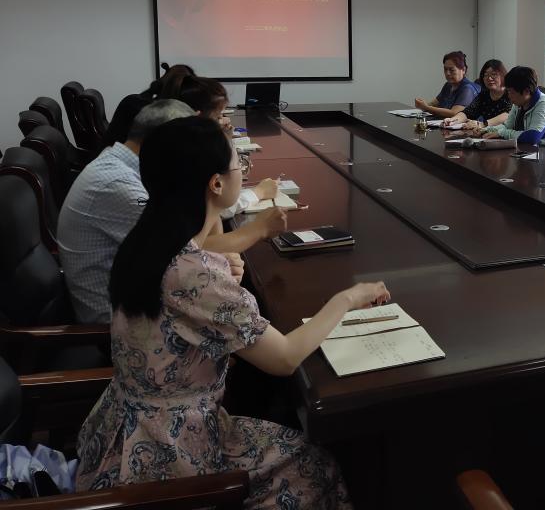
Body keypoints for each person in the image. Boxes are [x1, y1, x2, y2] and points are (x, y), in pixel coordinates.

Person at [77, 117, 390, 507]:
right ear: (216, 184)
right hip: (167, 456)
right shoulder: (194, 274)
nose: (243, 171)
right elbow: (285, 358)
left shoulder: (148, 239)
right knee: (317, 465)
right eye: (238, 164)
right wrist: (348, 299)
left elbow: (185, 309)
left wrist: (223, 272)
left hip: (122, 430)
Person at [58, 100, 286, 324]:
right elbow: (190, 248)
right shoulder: (119, 184)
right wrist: (259, 229)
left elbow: (191, 242)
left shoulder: (124, 167)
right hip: (124, 323)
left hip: (141, 299)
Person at [477, 66, 545, 145]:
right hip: (525, 151)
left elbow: (532, 137)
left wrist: (502, 133)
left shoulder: (544, 104)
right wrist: (485, 130)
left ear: (526, 91)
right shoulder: (519, 102)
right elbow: (507, 126)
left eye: (511, 92)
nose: (508, 96)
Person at [442, 59, 511, 128]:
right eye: (486, 75)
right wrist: (453, 120)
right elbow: (468, 112)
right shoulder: (484, 95)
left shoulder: (510, 93)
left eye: (494, 74)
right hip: (488, 132)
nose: (489, 78)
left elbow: (508, 115)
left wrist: (483, 124)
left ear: (503, 75)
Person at [415, 50, 480, 119]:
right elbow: (433, 104)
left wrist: (427, 108)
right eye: (445, 69)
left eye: (452, 70)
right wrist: (422, 104)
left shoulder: (468, 88)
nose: (448, 73)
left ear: (463, 70)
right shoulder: (448, 85)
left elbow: (454, 113)